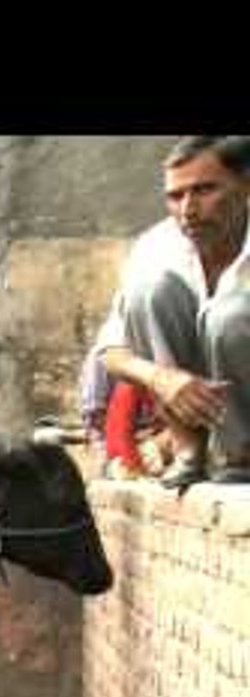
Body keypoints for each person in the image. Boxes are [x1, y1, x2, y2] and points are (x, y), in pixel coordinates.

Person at [80, 136, 250, 488]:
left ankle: (240, 455)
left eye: (204, 190)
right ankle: (192, 449)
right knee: (149, 291)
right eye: (175, 196)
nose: (188, 209)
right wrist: (163, 378)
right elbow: (111, 352)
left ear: (245, 185)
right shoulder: (157, 245)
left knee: (229, 317)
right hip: (193, 404)